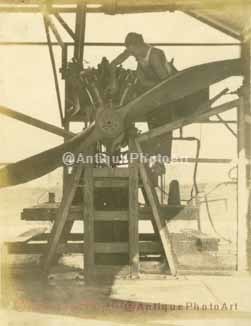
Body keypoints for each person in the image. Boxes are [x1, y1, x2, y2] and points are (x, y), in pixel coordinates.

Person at [109, 32, 176, 94]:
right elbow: (113, 64)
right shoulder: (133, 49)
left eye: (133, 52)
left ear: (139, 46)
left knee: (141, 80)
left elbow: (165, 83)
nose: (132, 55)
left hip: (167, 81)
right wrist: (113, 82)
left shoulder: (154, 55)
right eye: (130, 52)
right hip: (151, 79)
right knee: (140, 80)